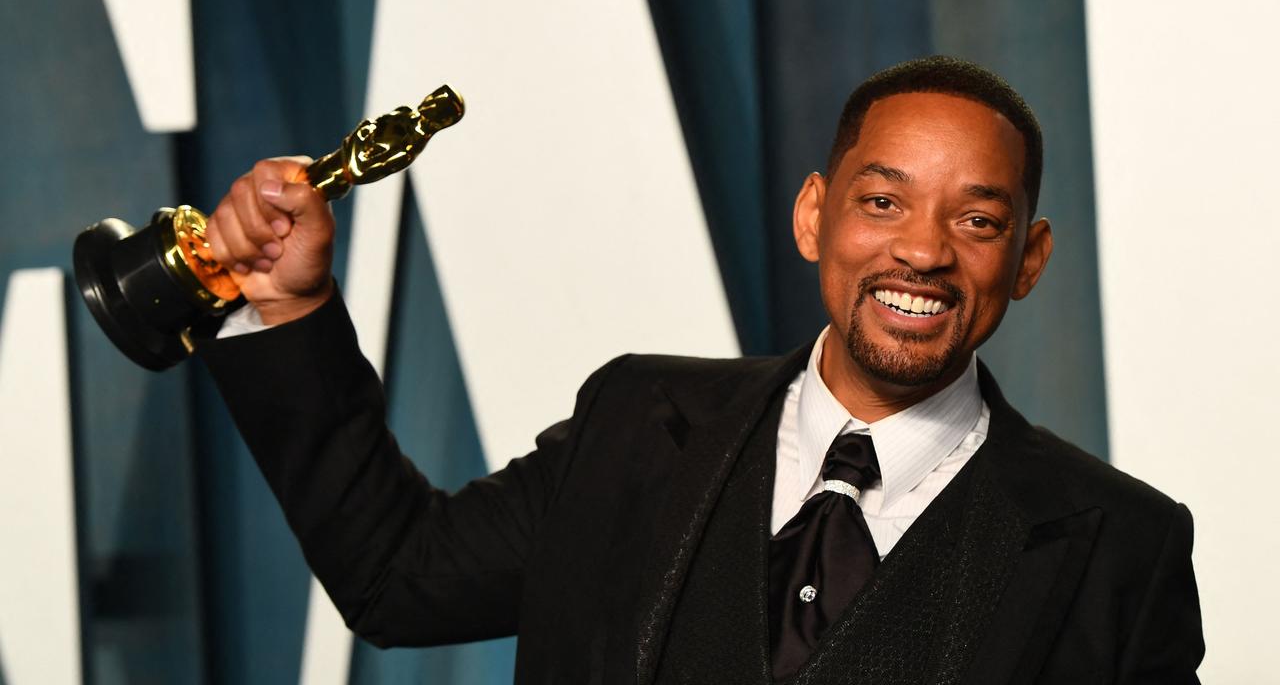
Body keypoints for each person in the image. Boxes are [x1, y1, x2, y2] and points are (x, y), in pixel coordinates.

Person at [199, 56, 1203, 683]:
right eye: (883, 203)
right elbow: (395, 581)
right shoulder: (636, 422)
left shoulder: (1119, 548)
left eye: (976, 221)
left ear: (1026, 261)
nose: (923, 252)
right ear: (815, 216)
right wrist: (289, 310)